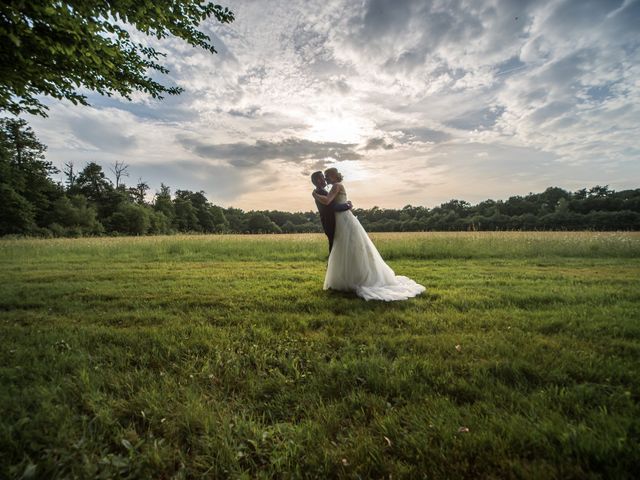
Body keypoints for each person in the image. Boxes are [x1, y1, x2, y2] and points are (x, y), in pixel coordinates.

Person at [312, 167, 425, 301]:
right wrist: (346, 205)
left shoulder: (336, 186)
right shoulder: (328, 189)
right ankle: (347, 278)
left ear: (335, 176)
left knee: (351, 247)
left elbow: (329, 202)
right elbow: (331, 205)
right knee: (344, 248)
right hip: (339, 221)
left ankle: (356, 278)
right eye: (324, 176)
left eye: (327, 175)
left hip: (344, 220)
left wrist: (316, 195)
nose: (326, 178)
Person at [311, 171, 352, 253]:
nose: (325, 179)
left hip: (328, 222)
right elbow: (334, 207)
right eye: (323, 177)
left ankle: (333, 265)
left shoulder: (319, 191)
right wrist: (348, 206)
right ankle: (332, 265)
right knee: (334, 247)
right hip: (330, 222)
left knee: (334, 246)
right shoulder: (321, 192)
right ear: (318, 180)